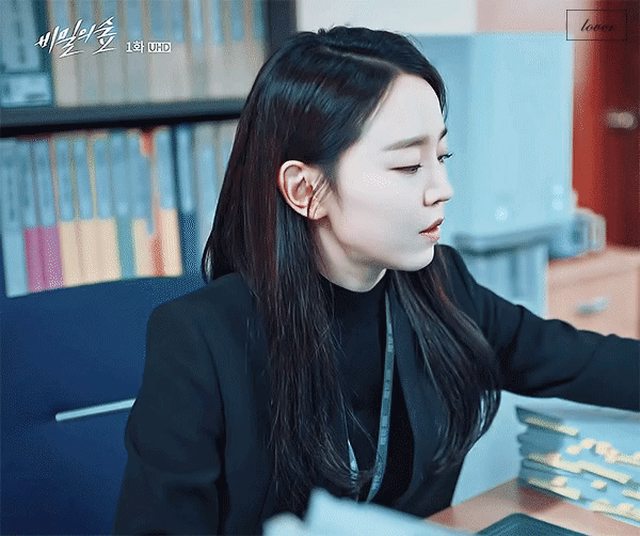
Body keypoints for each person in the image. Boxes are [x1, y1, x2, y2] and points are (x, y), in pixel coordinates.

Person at [113, 26, 640, 535]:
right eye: (409, 166)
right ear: (305, 189)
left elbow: (582, 361)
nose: (442, 188)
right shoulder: (202, 340)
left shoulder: (442, 288)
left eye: (442, 156)